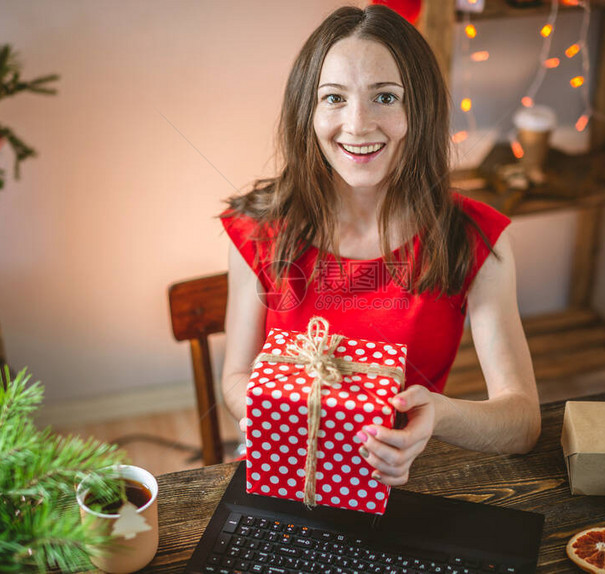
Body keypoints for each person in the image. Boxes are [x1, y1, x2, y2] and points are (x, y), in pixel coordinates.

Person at [219, 5, 540, 487]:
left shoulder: (472, 241)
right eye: (334, 98)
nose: (358, 124)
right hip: (288, 467)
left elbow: (523, 423)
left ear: (421, 111)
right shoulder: (257, 227)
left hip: (403, 474)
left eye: (385, 97)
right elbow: (235, 377)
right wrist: (277, 418)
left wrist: (440, 414)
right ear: (307, 110)